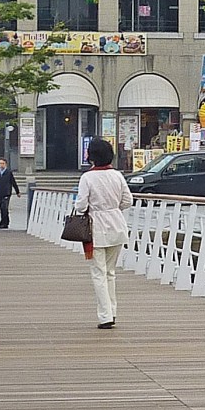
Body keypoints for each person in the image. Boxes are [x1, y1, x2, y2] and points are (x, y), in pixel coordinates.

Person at [73, 139, 133, 329]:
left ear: (91, 156)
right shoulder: (117, 175)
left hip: (96, 227)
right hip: (117, 224)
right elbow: (127, 200)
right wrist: (113, 208)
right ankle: (112, 312)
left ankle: (105, 315)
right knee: (110, 272)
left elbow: (81, 205)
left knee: (98, 273)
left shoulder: (87, 178)